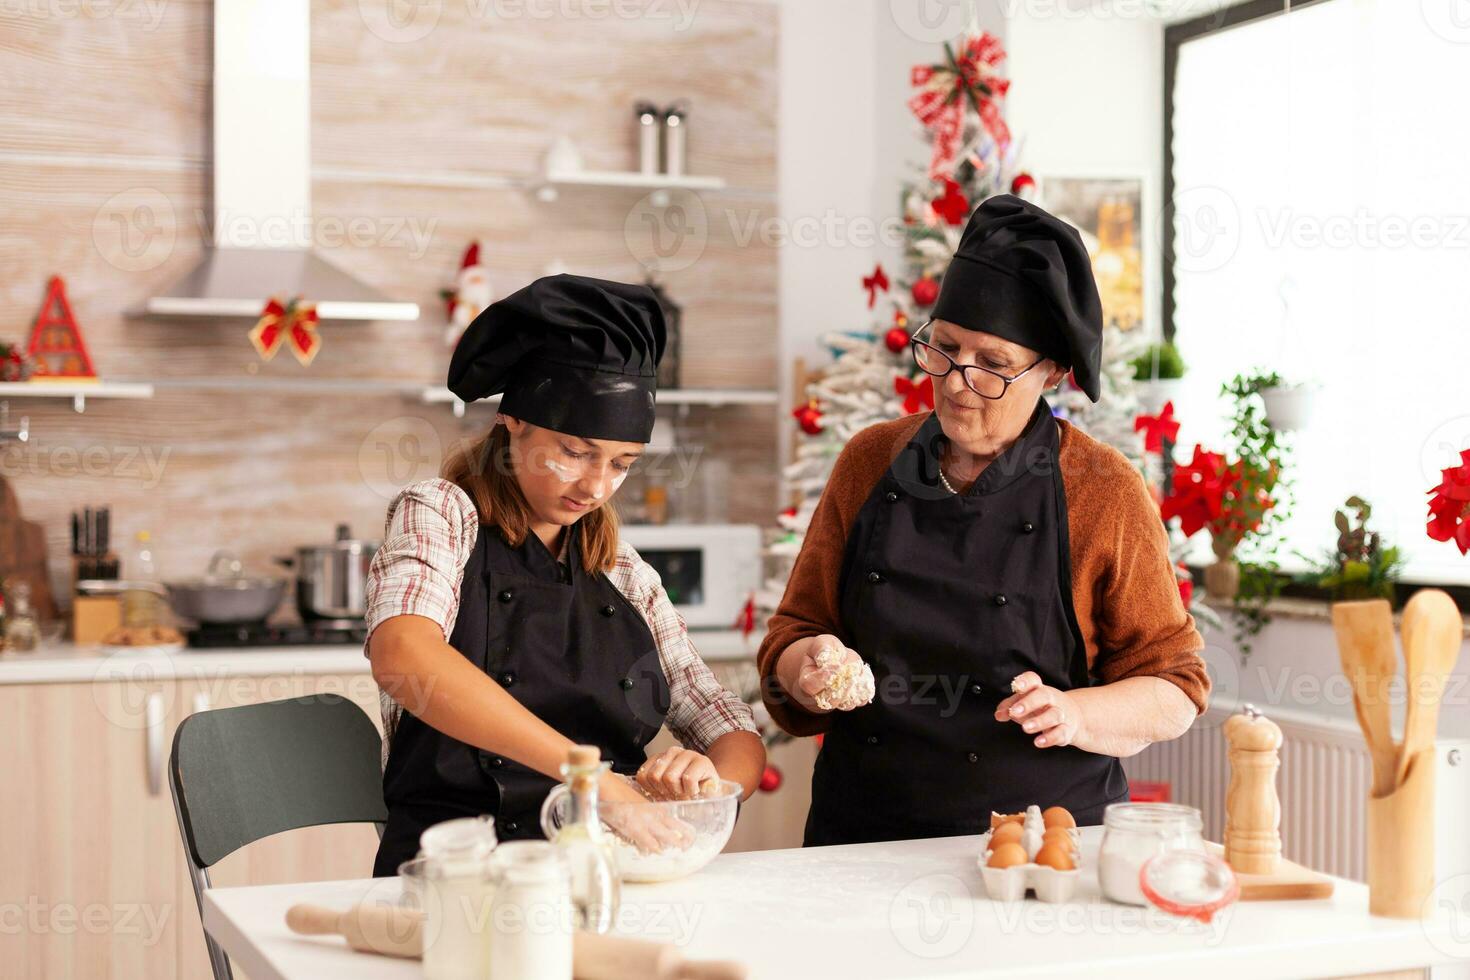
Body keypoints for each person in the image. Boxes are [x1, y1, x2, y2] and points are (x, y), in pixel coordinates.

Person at [757, 195, 1211, 846]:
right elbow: (792, 635)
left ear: (1050, 372)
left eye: (993, 364)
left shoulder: (1105, 490)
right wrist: (810, 666)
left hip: (1042, 850)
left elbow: (1175, 685)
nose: (957, 381)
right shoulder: (868, 462)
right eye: (943, 349)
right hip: (862, 840)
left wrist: (1075, 713)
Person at [367, 274, 765, 874]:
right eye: (576, 452)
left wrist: (706, 781)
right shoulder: (442, 513)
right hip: (458, 874)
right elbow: (403, 657)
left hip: (602, 871)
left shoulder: (621, 568)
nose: (596, 487)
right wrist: (596, 782)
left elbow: (730, 728)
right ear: (513, 425)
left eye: (621, 464)